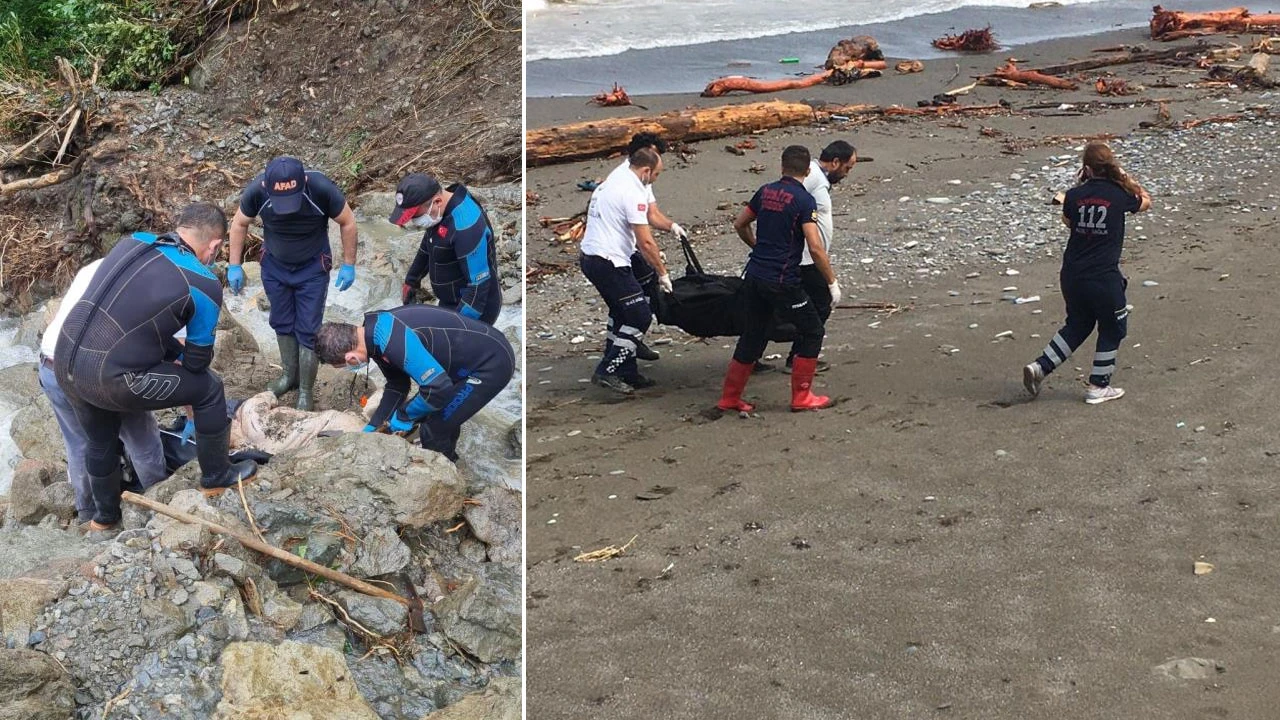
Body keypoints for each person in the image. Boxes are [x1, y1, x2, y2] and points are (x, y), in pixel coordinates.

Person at [54, 203, 258, 530]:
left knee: (100, 439)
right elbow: (196, 364)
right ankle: (218, 475)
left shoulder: (132, 241)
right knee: (209, 389)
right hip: (113, 378)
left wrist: (165, 348)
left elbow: (133, 322)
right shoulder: (203, 283)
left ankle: (103, 521)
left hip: (66, 362)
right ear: (215, 245)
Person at [39, 259, 168, 524]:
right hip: (95, 369)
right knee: (141, 437)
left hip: (51, 362)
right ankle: (160, 506)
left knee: (80, 444)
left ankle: (88, 515)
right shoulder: (158, 280)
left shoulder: (94, 266)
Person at [226, 156, 360, 411]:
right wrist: (235, 264)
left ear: (304, 181)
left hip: (312, 268)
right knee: (282, 320)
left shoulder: (321, 188)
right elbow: (240, 223)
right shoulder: (257, 190)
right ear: (267, 185)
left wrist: (349, 263)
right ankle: (289, 376)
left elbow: (348, 221)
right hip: (275, 266)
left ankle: (306, 391)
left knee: (309, 328)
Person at [1024, 141, 1151, 404]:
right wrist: (1127, 178)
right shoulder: (1119, 195)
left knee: (1079, 324)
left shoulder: (1073, 195)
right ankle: (1098, 385)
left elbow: (1068, 221)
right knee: (1114, 328)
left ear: (1087, 168)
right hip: (1103, 277)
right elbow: (1145, 201)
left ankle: (1041, 367)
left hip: (1072, 274)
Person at [716, 145, 839, 413]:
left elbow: (740, 223)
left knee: (754, 334)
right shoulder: (804, 200)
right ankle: (802, 396)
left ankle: (729, 397)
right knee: (813, 330)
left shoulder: (766, 191)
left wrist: (757, 246)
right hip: (782, 280)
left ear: (782, 167)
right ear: (807, 171)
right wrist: (831, 282)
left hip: (755, 275)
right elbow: (815, 248)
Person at [314, 306, 515, 462]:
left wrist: (403, 415)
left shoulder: (390, 340)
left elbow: (437, 387)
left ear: (350, 358)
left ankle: (448, 482)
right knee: (438, 416)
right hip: (461, 365)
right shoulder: (372, 337)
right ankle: (451, 459)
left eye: (344, 366)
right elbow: (397, 385)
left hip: (490, 364)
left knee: (433, 428)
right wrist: (373, 427)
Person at [578, 147, 672, 394]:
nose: (655, 179)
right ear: (645, 170)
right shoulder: (632, 192)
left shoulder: (618, 177)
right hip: (609, 261)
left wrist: (672, 227)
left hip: (591, 256)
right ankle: (608, 370)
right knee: (639, 315)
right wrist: (662, 272)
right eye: (656, 175)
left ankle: (627, 371)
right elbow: (646, 242)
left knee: (621, 312)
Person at [773, 139, 858, 374]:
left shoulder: (815, 177)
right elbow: (787, 198)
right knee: (819, 304)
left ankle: (762, 355)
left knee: (781, 306)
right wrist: (832, 281)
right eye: (847, 168)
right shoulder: (811, 177)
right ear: (835, 162)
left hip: (805, 256)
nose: (846, 174)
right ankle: (799, 356)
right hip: (805, 258)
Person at [611, 132, 689, 361]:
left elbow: (651, 213)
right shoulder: (627, 183)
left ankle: (632, 341)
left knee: (641, 294)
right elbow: (643, 237)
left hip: (628, 247)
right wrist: (662, 270)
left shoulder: (642, 178)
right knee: (635, 307)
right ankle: (618, 356)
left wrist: (671, 226)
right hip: (619, 251)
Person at [389, 173, 502, 325]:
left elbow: (478, 286)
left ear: (437, 201)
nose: (414, 222)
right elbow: (428, 246)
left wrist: (457, 328)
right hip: (449, 300)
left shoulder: (466, 226)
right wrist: (411, 280)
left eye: (415, 216)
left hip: (477, 309)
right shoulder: (440, 211)